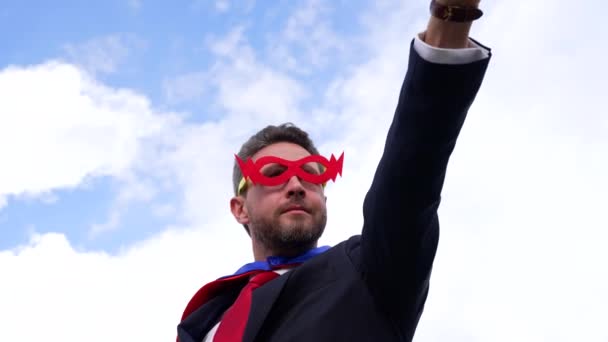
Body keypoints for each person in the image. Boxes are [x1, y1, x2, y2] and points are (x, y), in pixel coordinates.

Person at [177, 1, 491, 341]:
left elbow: (410, 177)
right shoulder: (207, 319)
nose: (296, 184)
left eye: (312, 174)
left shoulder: (370, 273)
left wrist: (451, 15)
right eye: (274, 173)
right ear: (239, 209)